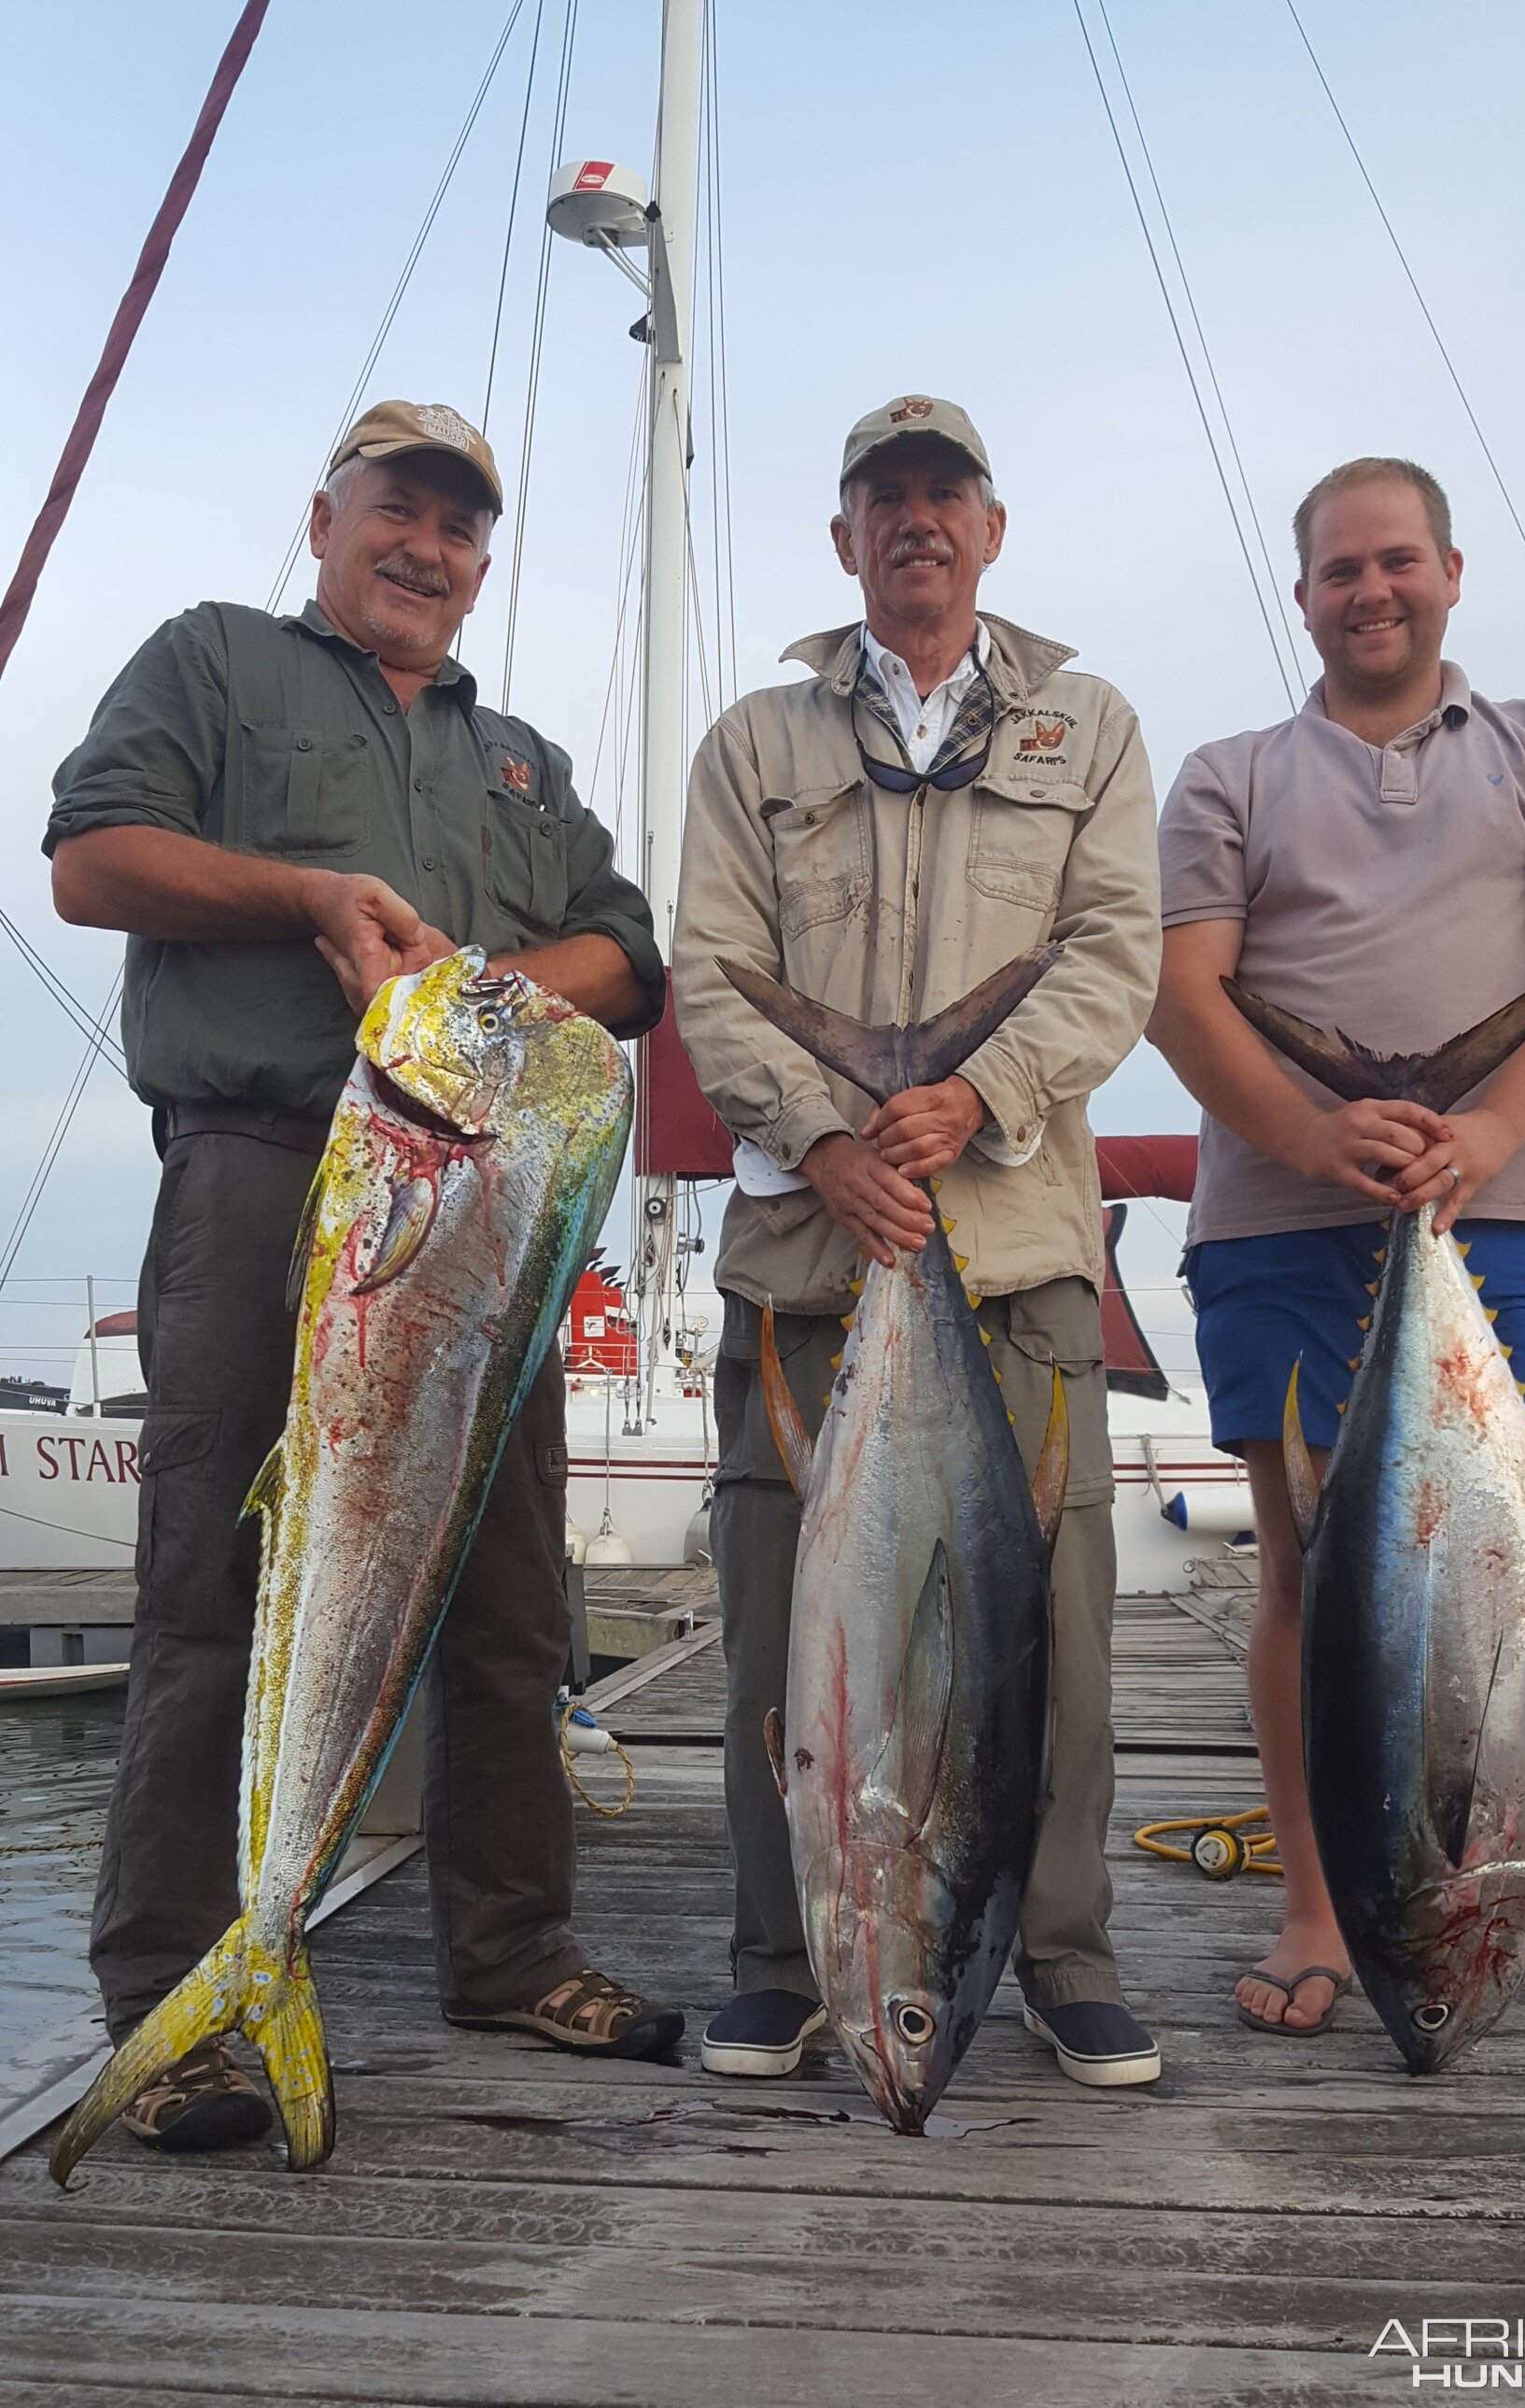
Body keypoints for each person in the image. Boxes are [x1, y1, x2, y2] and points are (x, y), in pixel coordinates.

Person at [47, 399, 683, 2154]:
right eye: (396, 510)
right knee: (211, 1578)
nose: (425, 546)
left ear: (483, 565)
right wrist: (316, 897)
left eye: (459, 528)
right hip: (268, 1170)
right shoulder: (217, 662)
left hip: (477, 1201)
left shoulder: (526, 764)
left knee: (510, 1590)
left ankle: (510, 1947)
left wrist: (464, 982)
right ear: (323, 517)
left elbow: (628, 956)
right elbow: (94, 857)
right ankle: (174, 1993)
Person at [1149, 454, 1525, 2058]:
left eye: (1399, 561)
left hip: (1507, 1215)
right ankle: (1322, 1906)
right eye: (1340, 569)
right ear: (1307, 593)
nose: (1371, 590)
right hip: (1278, 1216)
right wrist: (1320, 1133)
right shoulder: (1229, 775)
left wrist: (1483, 1132)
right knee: (1298, 1571)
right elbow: (1186, 993)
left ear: (1451, 574)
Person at [672, 395, 1164, 2089]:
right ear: (844, 538)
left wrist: (981, 1094)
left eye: (944, 496)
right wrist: (823, 1133)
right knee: (780, 1627)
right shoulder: (755, 743)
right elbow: (709, 966)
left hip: (1014, 1260)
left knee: (1058, 1631)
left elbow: (1114, 954)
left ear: (991, 526)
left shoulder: (1087, 725)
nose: (916, 523)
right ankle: (777, 1955)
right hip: (811, 1259)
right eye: (883, 499)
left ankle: (1063, 1952)